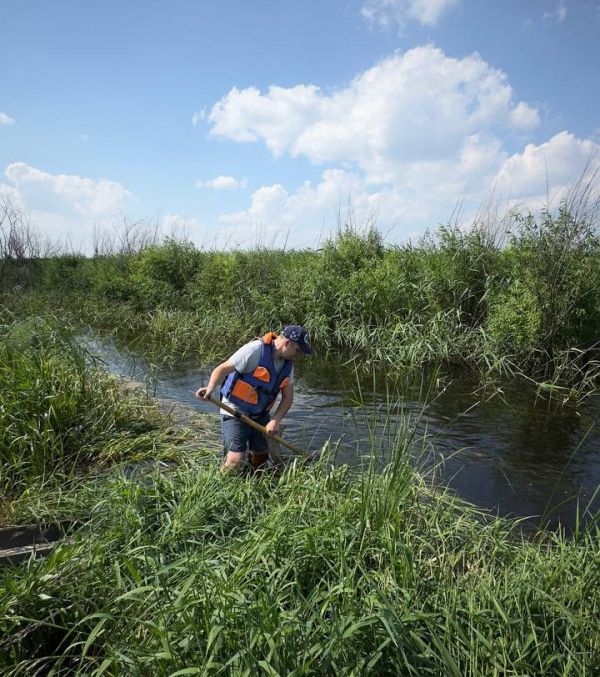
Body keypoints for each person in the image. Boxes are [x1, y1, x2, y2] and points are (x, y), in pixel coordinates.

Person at [195, 325, 312, 472]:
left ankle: (253, 484)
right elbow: (222, 369)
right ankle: (216, 487)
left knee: (261, 457)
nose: (298, 355)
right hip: (234, 406)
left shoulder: (288, 365)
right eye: (298, 350)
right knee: (235, 460)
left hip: (260, 412)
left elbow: (288, 398)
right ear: (288, 343)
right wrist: (210, 388)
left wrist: (275, 420)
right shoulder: (254, 350)